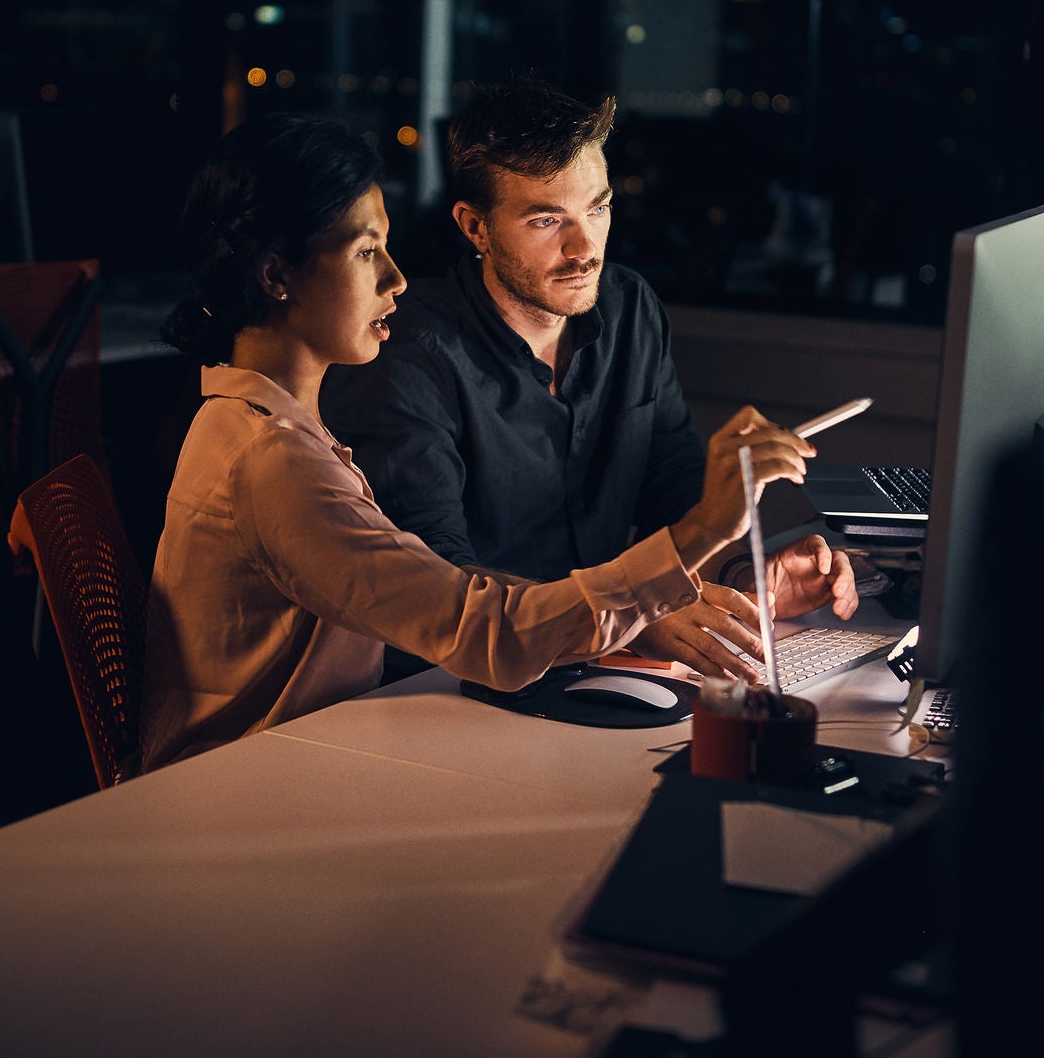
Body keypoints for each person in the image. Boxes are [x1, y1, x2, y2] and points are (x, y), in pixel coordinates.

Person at [140, 113, 822, 770]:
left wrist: (731, 572)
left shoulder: (275, 425)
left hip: (321, 758)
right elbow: (485, 630)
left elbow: (465, 604)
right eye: (367, 251)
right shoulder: (273, 459)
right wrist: (701, 533)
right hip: (244, 796)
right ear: (276, 275)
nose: (396, 279)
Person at [322, 78, 857, 681]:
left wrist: (742, 577)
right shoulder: (406, 351)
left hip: (608, 666)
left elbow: (672, 487)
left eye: (597, 209)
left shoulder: (629, 307)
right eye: (547, 220)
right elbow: (439, 582)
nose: (585, 248)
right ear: (476, 228)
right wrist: (631, 615)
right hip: (450, 686)